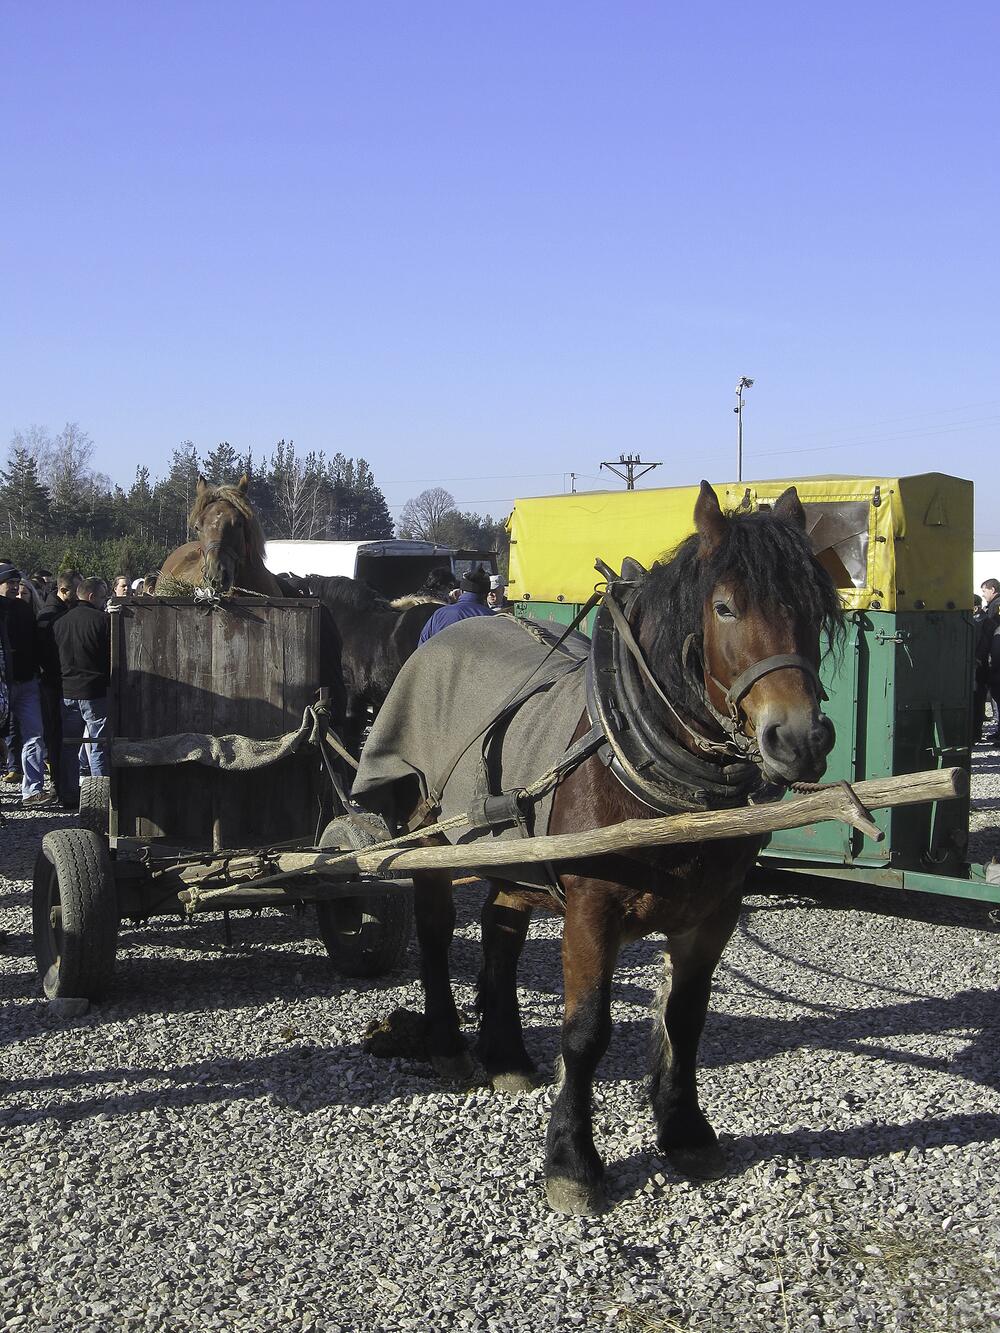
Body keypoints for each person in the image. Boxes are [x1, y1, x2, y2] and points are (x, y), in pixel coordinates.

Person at [53, 576, 111, 807]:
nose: (105, 600)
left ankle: (68, 794)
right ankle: (99, 799)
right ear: (91, 596)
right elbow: (110, 656)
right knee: (97, 744)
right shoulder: (102, 621)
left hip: (67, 689)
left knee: (69, 745)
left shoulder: (59, 622)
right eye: (104, 595)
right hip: (94, 691)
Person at [0, 562, 51, 806]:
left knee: (34, 735)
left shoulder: (23, 609)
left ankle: (32, 790)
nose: (13, 587)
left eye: (15, 583)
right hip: (2, 684)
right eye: (8, 583)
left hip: (27, 681)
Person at [417, 566, 494, 644]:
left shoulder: (439, 614)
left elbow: (422, 647)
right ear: (486, 594)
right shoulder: (493, 617)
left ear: (461, 591)